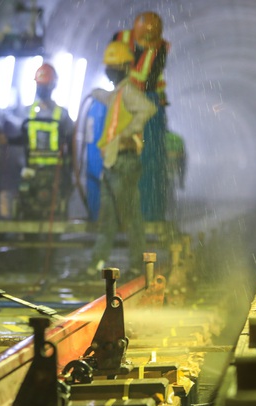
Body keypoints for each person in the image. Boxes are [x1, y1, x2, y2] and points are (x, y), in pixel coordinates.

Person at [86, 41, 157, 278]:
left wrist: (128, 134)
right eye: (110, 66)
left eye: (115, 66)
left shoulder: (127, 91)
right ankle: (97, 262)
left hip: (124, 162)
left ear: (125, 67)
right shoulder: (119, 93)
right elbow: (113, 101)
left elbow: (147, 108)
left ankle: (137, 264)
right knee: (108, 217)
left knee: (130, 215)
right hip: (113, 163)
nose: (110, 70)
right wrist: (98, 94)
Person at [112, 11, 170, 222]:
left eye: (150, 40)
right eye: (144, 38)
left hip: (148, 101)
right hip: (124, 98)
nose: (146, 44)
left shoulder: (161, 48)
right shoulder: (120, 39)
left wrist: (126, 83)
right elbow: (110, 67)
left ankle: (148, 212)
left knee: (149, 161)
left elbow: (150, 80)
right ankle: (117, 212)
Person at [18, 62, 75, 220]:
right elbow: (21, 137)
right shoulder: (27, 112)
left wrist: (69, 170)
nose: (42, 89)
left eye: (45, 85)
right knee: (27, 205)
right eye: (40, 85)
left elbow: (71, 142)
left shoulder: (62, 114)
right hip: (32, 169)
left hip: (55, 170)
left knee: (55, 208)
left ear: (53, 86)